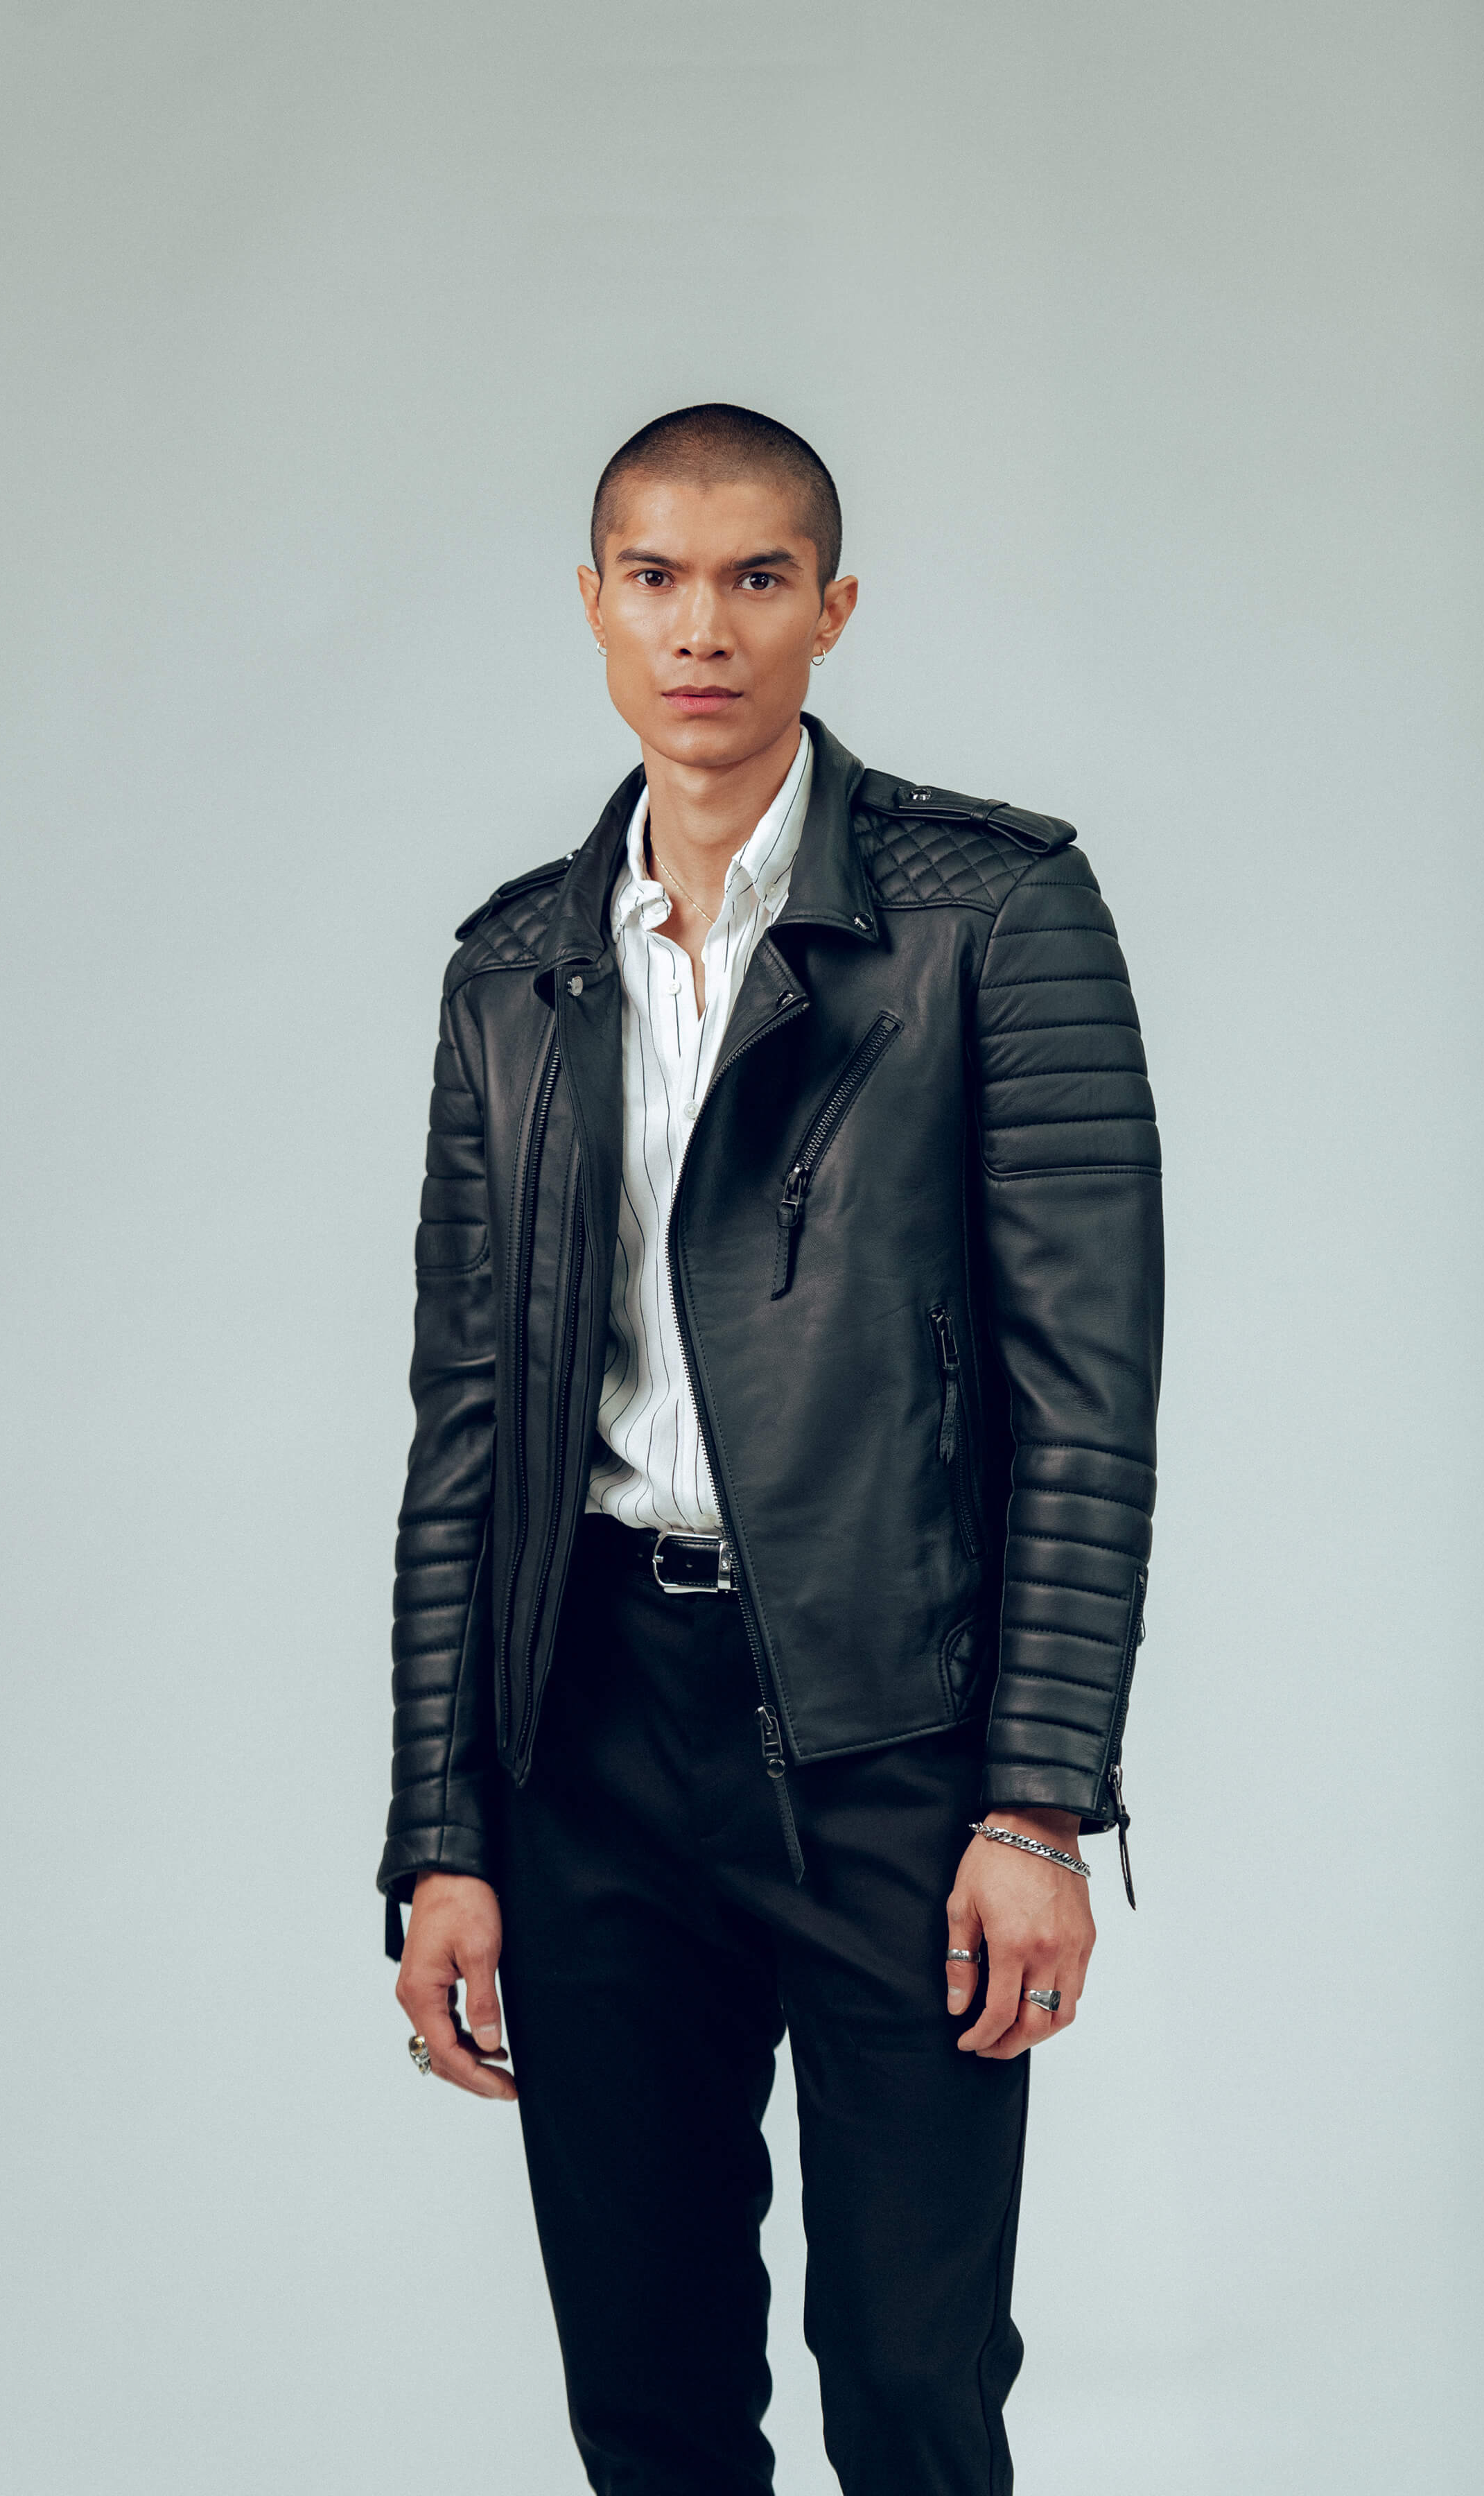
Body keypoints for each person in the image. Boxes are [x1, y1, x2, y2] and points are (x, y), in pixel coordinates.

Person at [380, 403, 1163, 2495]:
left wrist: (1040, 1803)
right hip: (588, 1736)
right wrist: (442, 1832)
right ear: (593, 606)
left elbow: (1088, 1395)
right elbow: (468, 1435)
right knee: (646, 2401)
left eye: (754, 579)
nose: (701, 630)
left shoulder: (993, 910)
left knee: (911, 2382)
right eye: (655, 579)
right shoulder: (511, 972)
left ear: (832, 607)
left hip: (893, 1734)